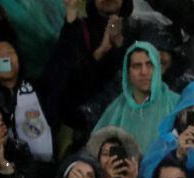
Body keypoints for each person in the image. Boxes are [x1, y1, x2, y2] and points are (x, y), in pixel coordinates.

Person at [39, 0, 129, 139]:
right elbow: (66, 75)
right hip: (82, 125)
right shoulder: (79, 29)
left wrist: (119, 45)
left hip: (126, 121)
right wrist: (101, 52)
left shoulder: (137, 29)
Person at [0, 39, 53, 169]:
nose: (5, 57)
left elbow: (61, 65)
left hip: (44, 173)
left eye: (10, 52)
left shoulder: (39, 88)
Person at [92, 42, 180, 153]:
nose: (144, 72)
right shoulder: (117, 109)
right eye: (137, 66)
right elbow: (95, 150)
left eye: (149, 65)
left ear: (158, 68)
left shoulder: (178, 103)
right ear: (127, 72)